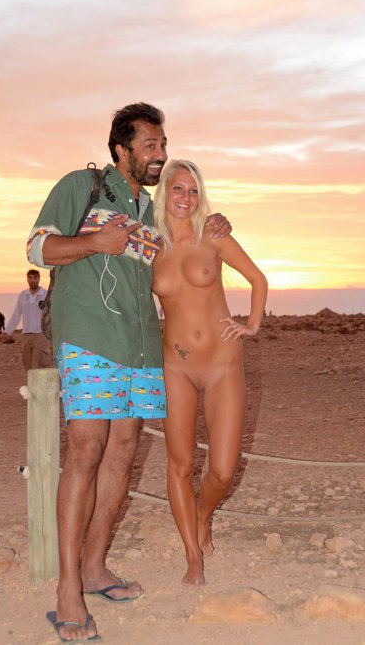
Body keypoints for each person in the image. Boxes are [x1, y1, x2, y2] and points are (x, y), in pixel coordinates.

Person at [27, 103, 231, 643]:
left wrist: (217, 223)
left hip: (141, 346)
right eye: (150, 145)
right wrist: (95, 241)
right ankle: (68, 588)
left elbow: (191, 236)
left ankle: (95, 568)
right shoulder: (82, 186)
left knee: (122, 454)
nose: (160, 154)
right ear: (122, 149)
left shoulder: (155, 210)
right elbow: (38, 246)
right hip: (89, 335)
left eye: (163, 145)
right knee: (87, 450)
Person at [152, 159, 268, 586]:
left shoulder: (214, 235)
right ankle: (192, 555)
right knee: (180, 464)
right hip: (175, 366)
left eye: (194, 190)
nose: (186, 198)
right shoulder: (148, 246)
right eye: (178, 188)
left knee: (222, 470)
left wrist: (251, 325)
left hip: (223, 364)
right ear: (164, 192)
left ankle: (203, 514)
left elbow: (258, 279)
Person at [0, 270, 51, 372]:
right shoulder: (23, 295)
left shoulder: (45, 294)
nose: (32, 280)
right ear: (27, 279)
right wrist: (7, 331)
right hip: (26, 335)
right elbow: (17, 313)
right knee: (28, 366)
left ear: (39, 279)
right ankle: (31, 383)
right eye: (30, 278)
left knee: (39, 366)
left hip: (41, 334)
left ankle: (39, 383)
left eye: (35, 278)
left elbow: (51, 314)